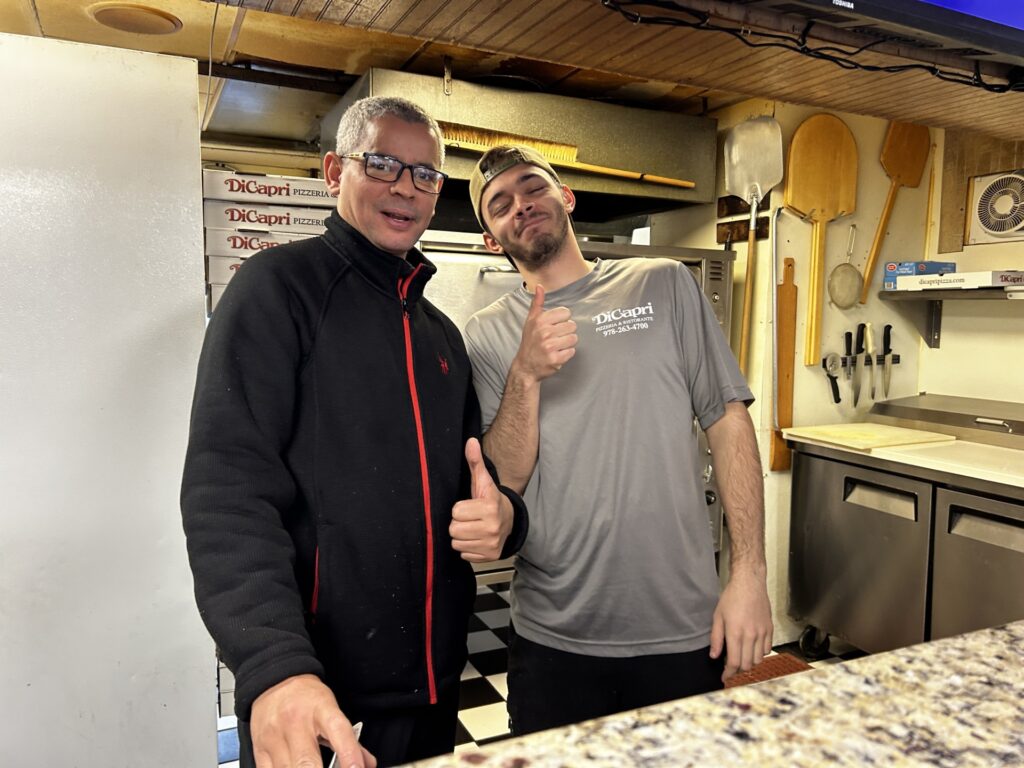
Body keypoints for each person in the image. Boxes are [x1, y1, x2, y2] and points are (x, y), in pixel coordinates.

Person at [180, 98, 527, 768]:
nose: (406, 186)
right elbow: (227, 494)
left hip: (431, 688)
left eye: (425, 174)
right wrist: (275, 666)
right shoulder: (277, 289)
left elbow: (468, 491)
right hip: (320, 694)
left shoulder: (441, 338)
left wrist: (509, 519)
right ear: (336, 170)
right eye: (384, 163)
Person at [463, 145, 773, 735]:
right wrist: (524, 374)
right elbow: (505, 480)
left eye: (533, 188)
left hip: (680, 628)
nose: (521, 206)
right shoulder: (487, 334)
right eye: (500, 205)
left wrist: (749, 573)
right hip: (553, 636)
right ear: (491, 239)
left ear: (567, 198)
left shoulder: (663, 284)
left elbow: (728, 421)